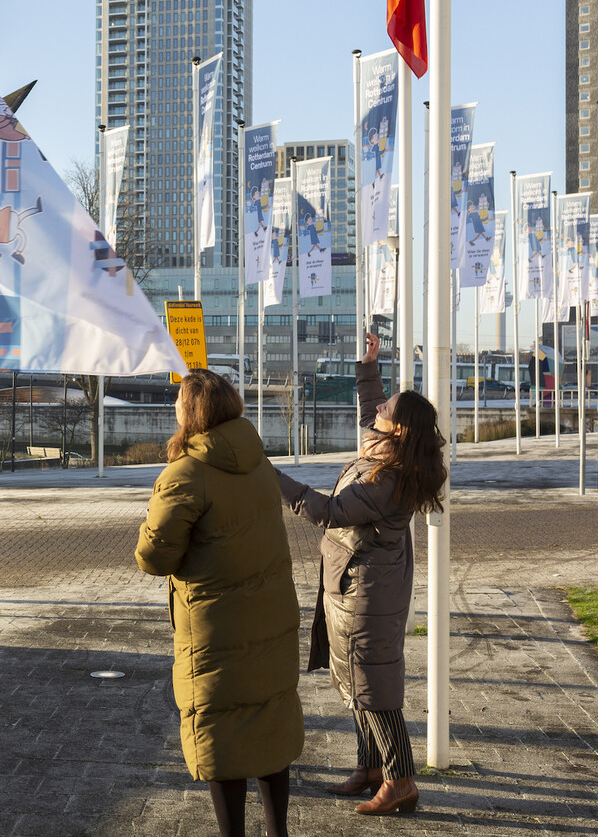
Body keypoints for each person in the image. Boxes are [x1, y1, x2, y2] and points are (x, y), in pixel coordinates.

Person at [274, 332, 447, 817]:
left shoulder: (390, 479)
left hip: (368, 588)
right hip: (354, 582)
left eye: (388, 408)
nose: (380, 408)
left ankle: (400, 780)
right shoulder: (390, 450)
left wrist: (271, 478)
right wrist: (368, 367)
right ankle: (371, 768)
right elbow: (371, 406)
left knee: (373, 683)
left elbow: (328, 511)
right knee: (354, 675)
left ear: (398, 431)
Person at [135, 369, 303, 837]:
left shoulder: (186, 474)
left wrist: (152, 513)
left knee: (224, 735)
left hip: (216, 631)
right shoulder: (259, 462)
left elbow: (153, 556)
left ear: (191, 413)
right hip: (270, 618)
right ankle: (278, 832)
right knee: (268, 724)